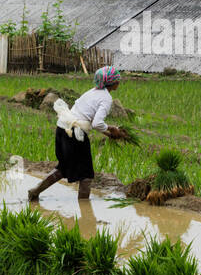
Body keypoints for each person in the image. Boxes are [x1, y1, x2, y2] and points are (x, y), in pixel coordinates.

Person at [28, 67, 127, 202]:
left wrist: (108, 134)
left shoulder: (92, 92)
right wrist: (112, 128)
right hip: (75, 134)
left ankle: (35, 191)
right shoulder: (106, 98)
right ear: (113, 83)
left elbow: (89, 119)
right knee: (86, 175)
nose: (119, 82)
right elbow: (97, 123)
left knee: (64, 167)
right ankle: (85, 209)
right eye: (117, 79)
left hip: (63, 128)